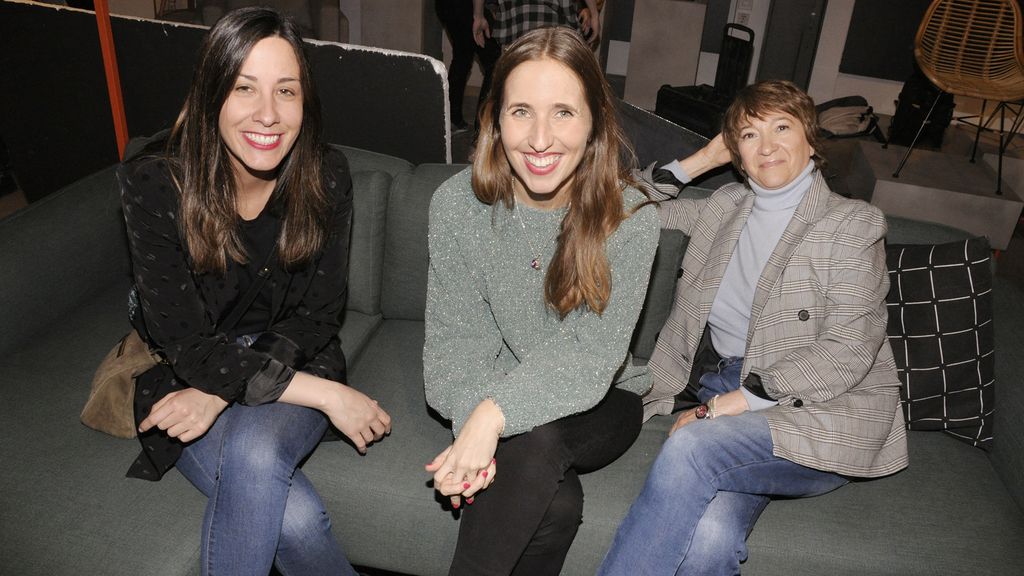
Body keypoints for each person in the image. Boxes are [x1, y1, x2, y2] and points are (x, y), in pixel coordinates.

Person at [118, 8, 391, 575]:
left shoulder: (328, 177)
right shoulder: (155, 184)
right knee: (292, 521)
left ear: (304, 102)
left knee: (255, 449)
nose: (268, 114)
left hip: (293, 354)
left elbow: (317, 317)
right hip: (186, 372)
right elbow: (190, 348)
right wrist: (328, 396)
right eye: (244, 88)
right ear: (212, 93)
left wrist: (218, 391)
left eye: (285, 91)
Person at [598, 80, 909, 575]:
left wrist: (731, 404)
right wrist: (700, 160)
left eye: (782, 127)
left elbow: (852, 346)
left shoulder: (853, 224)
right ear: (736, 154)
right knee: (711, 536)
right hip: (722, 382)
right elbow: (618, 210)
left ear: (811, 139)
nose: (767, 146)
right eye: (748, 135)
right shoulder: (725, 207)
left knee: (693, 444)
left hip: (815, 408)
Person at [423, 26, 659, 576]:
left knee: (539, 437)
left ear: (594, 121)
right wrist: (478, 417)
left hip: (603, 400)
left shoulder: (631, 216)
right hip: (500, 395)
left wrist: (489, 419)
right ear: (494, 120)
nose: (540, 138)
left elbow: (589, 355)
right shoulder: (457, 207)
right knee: (557, 504)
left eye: (563, 113)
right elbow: (454, 348)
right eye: (521, 111)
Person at [436, 0, 500, 131]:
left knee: (462, 57)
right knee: (495, 63)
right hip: (467, 6)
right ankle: (482, 128)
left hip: (445, 6)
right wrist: (478, 15)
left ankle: (451, 119)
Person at [472, 0, 601, 50]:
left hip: (516, 20)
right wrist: (594, 14)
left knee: (517, 84)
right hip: (556, 20)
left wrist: (478, 15)